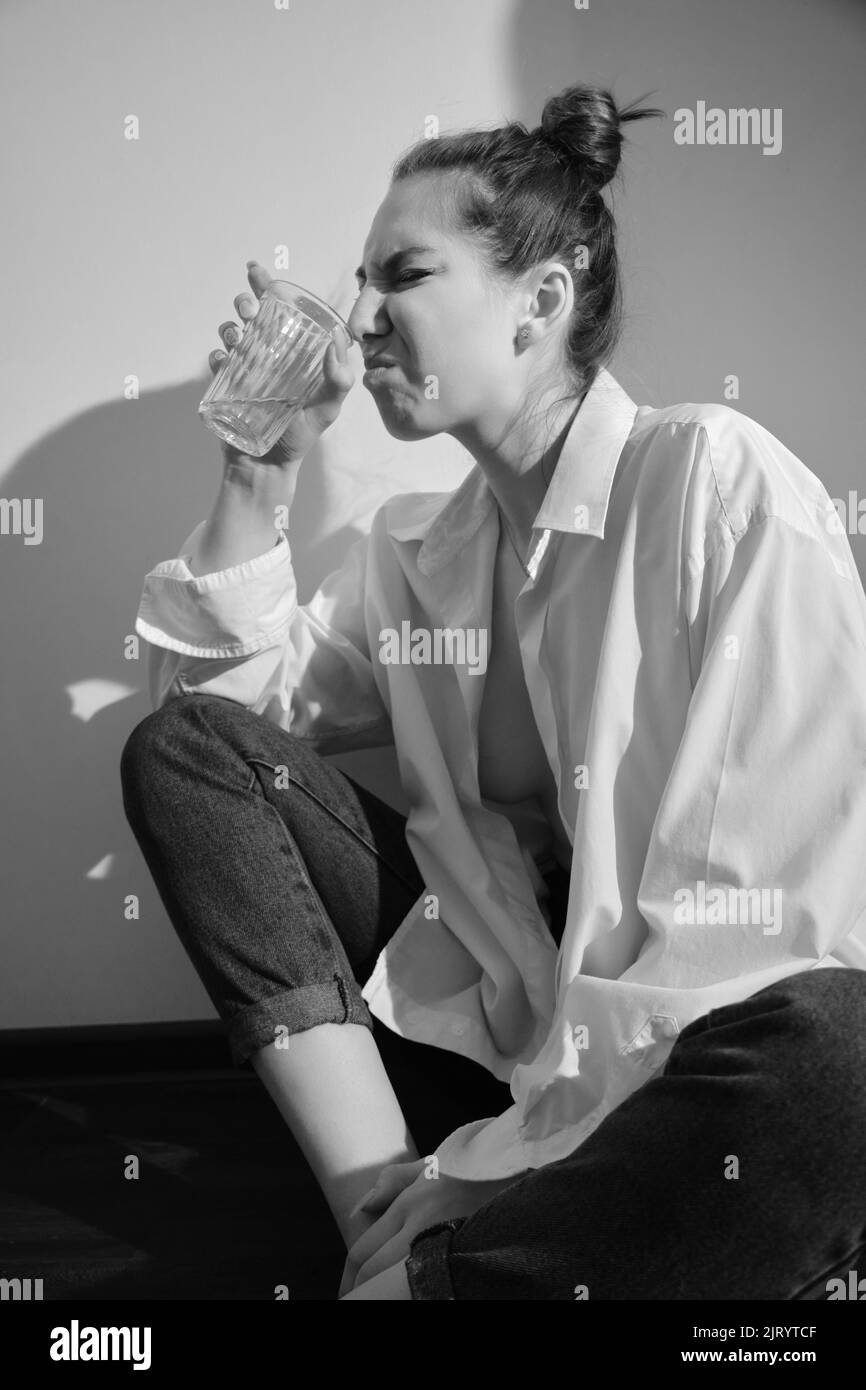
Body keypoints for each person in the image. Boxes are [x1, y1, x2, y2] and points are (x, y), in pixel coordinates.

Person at [121, 85, 866, 1301]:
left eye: (399, 275)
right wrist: (257, 475)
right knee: (185, 750)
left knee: (843, 1059)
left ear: (540, 302)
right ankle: (390, 1233)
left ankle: (437, 1272)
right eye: (359, 283)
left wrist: (500, 1161)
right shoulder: (413, 554)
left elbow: (753, 929)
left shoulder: (710, 485)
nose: (357, 320)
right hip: (497, 1052)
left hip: (685, 1058)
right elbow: (229, 733)